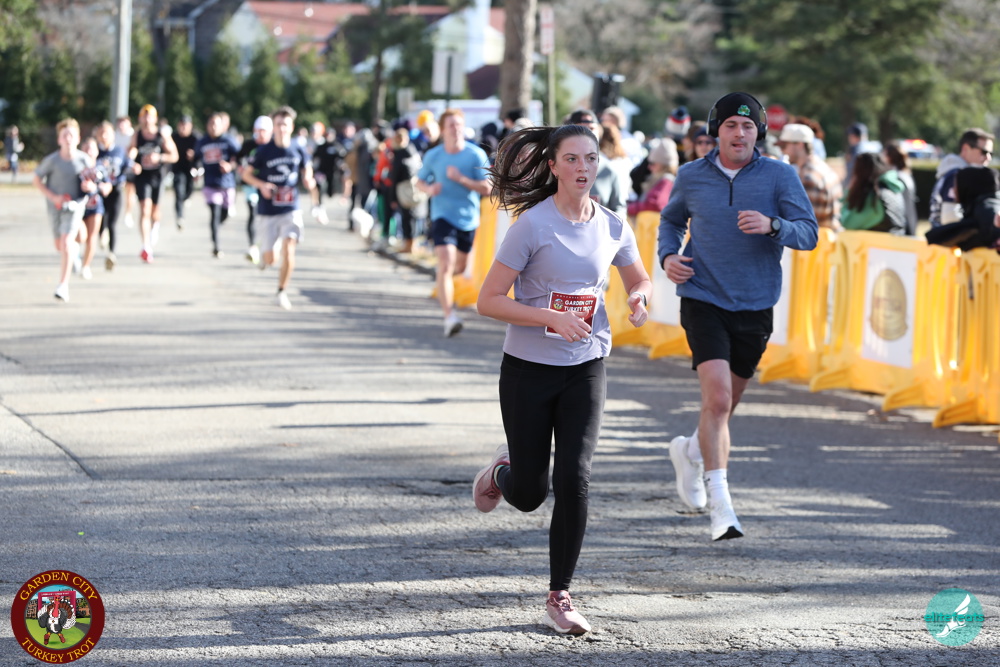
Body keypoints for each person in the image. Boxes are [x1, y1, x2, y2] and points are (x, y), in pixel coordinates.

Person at [474, 123, 651, 635]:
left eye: (590, 158)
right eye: (571, 159)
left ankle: (560, 595)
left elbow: (639, 277)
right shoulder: (532, 225)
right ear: (552, 166)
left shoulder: (613, 225)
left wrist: (639, 297)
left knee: (574, 477)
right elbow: (488, 301)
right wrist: (549, 317)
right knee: (530, 493)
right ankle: (501, 473)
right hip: (528, 369)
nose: (582, 168)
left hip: (586, 365)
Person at [658, 93, 818, 541]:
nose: (740, 133)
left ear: (758, 133)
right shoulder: (691, 175)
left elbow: (809, 233)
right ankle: (722, 507)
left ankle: (691, 451)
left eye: (748, 126)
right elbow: (670, 221)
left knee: (723, 407)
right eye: (731, 125)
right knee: (719, 399)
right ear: (717, 131)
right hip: (703, 296)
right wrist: (668, 255)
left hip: (755, 302)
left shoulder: (780, 176)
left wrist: (773, 226)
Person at [416, 109, 492, 337]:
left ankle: (444, 284)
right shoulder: (434, 156)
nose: (456, 128)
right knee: (446, 264)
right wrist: (430, 189)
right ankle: (449, 317)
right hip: (442, 216)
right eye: (451, 125)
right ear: (442, 130)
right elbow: (419, 181)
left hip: (468, 219)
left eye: (459, 124)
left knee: (459, 267)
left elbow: (488, 188)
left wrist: (462, 179)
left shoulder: (475, 154)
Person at [242, 105, 317, 310]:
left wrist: (309, 180)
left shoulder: (298, 148)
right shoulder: (264, 151)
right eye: (278, 124)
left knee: (289, 250)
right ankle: (266, 253)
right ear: (273, 127)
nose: (282, 128)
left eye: (285, 124)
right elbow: (246, 175)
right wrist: (262, 185)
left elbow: (307, 169)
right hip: (268, 211)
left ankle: (281, 291)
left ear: (291, 127)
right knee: (271, 259)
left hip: (291, 208)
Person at [33, 118, 98, 302]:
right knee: (59, 246)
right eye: (64, 135)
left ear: (78, 138)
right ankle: (73, 255)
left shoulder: (84, 160)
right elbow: (36, 180)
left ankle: (63, 286)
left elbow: (95, 182)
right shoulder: (52, 160)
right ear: (59, 139)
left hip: (76, 206)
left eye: (71, 135)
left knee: (67, 241)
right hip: (55, 207)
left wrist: (90, 187)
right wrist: (53, 197)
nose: (68, 138)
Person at [130, 105, 178, 262]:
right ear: (140, 118)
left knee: (155, 211)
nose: (146, 119)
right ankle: (146, 246)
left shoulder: (161, 135)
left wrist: (159, 157)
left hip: (158, 176)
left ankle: (155, 227)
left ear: (155, 118)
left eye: (149, 116)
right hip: (142, 176)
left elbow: (174, 156)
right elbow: (131, 151)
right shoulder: (137, 135)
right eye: (144, 116)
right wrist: (132, 161)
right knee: (145, 209)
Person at [776, 123, 843, 231]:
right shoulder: (822, 167)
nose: (782, 151)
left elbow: (804, 224)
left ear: (800, 144)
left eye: (784, 146)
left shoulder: (808, 178)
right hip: (829, 235)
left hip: (819, 239)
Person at [194, 112, 241, 258]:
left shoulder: (229, 140)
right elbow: (195, 159)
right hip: (210, 184)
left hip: (227, 184)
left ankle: (215, 228)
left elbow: (240, 157)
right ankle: (216, 246)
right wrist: (196, 171)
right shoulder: (202, 142)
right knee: (214, 213)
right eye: (211, 124)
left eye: (216, 124)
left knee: (224, 214)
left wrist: (230, 166)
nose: (213, 127)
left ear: (222, 126)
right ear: (207, 126)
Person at [565, 109, 627, 219]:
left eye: (591, 129)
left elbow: (619, 209)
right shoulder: (556, 167)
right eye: (581, 129)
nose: (587, 134)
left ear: (599, 132)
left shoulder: (609, 170)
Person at [929, 128, 995, 228]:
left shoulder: (956, 172)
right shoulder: (956, 174)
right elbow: (950, 218)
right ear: (965, 149)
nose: (988, 158)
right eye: (984, 152)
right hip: (948, 235)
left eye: (991, 153)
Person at [925, 166, 1000, 251]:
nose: (954, 190)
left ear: (966, 186)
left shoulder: (985, 207)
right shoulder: (977, 207)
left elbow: (991, 219)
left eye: (956, 184)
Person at [236, 115, 273, 264]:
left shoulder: (273, 146)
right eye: (258, 130)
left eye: (264, 131)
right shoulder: (248, 145)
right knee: (253, 212)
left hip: (268, 187)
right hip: (251, 185)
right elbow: (238, 158)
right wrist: (239, 167)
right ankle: (252, 247)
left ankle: (265, 247)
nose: (261, 134)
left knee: (266, 218)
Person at [840, 152, 906, 234]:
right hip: (895, 240)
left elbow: (847, 224)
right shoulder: (891, 188)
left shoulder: (874, 196)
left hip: (879, 241)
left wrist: (848, 191)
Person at [94, 121, 130, 271]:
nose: (104, 136)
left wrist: (118, 181)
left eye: (107, 133)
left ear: (113, 135)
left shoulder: (119, 151)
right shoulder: (95, 151)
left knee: (113, 223)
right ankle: (102, 234)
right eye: (101, 133)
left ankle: (111, 254)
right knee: (101, 218)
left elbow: (127, 168)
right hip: (99, 192)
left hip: (115, 191)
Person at [628, 138, 678, 216]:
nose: (649, 167)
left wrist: (631, 208)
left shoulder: (666, 180)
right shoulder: (660, 178)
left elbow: (655, 204)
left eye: (652, 163)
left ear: (662, 165)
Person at [882, 141, 918, 235]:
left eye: (884, 154)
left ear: (889, 157)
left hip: (903, 225)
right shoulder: (906, 175)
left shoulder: (895, 178)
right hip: (910, 221)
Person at [171, 115, 199, 231]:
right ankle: (180, 217)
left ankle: (186, 198)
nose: (183, 127)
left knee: (188, 190)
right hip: (178, 169)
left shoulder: (195, 138)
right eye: (181, 124)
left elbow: (201, 154)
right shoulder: (174, 137)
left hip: (191, 169)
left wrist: (194, 155)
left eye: (185, 125)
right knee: (178, 192)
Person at [115, 116, 136, 228]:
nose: (122, 125)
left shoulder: (133, 135)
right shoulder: (115, 135)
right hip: (117, 167)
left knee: (130, 191)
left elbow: (134, 149)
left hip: (128, 166)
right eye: (120, 123)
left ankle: (128, 213)